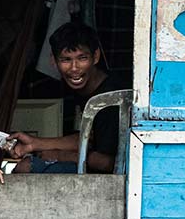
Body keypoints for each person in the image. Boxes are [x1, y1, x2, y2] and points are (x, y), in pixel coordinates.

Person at [12, 21, 128, 174]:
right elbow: (89, 138)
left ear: (96, 56)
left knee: (27, 167)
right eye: (66, 60)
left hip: (112, 182)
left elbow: (108, 163)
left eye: (82, 58)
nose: (74, 68)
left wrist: (61, 155)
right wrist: (34, 144)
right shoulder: (81, 89)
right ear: (53, 61)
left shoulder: (109, 100)